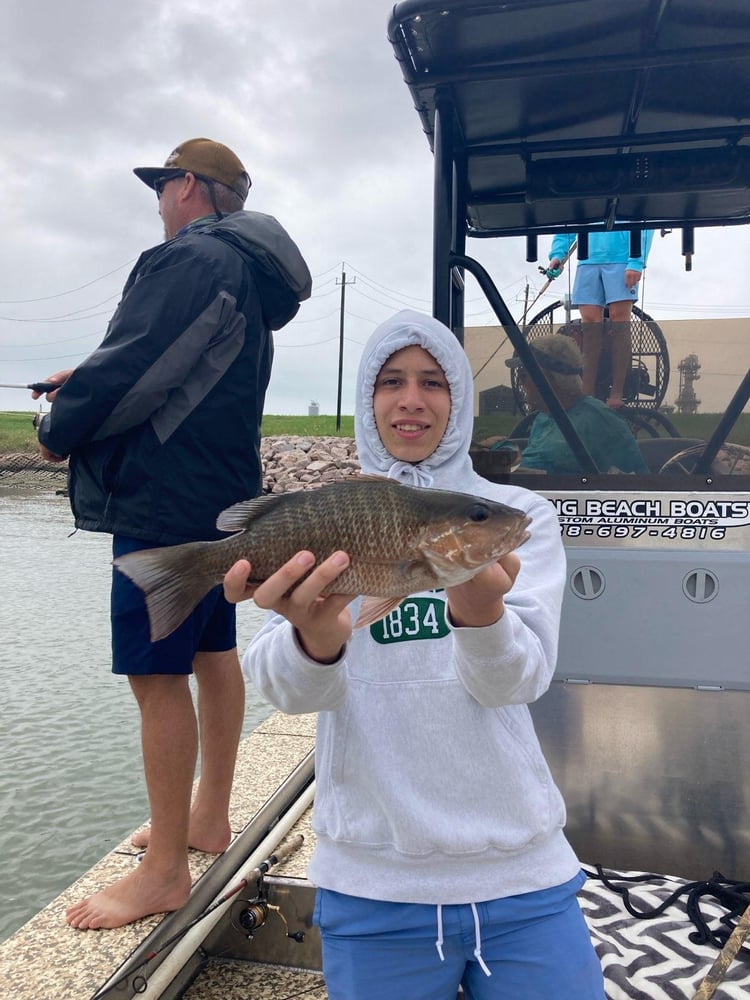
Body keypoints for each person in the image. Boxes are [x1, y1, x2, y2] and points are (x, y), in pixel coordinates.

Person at [222, 310, 605, 999]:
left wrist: (481, 610)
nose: (411, 399)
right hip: (374, 884)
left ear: (458, 399)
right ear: (369, 402)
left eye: (434, 382)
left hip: (522, 875)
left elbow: (517, 682)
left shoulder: (518, 517)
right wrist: (317, 637)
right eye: (390, 381)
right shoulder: (334, 512)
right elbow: (286, 692)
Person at [34, 137, 312, 930]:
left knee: (156, 677)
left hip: (160, 503)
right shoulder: (248, 279)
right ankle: (205, 817)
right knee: (210, 653)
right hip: (219, 498)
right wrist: (78, 377)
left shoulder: (191, 260)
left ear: (189, 186)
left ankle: (163, 874)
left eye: (162, 187)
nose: (159, 203)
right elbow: (174, 367)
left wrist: (60, 422)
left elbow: (134, 369)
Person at [504, 334, 648, 475]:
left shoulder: (592, 423)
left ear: (546, 379)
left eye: (523, 375)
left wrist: (496, 450)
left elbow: (534, 473)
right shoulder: (545, 417)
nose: (520, 384)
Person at [547, 228, 654, 408]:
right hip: (587, 259)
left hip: (622, 258)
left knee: (620, 320)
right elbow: (571, 222)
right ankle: (587, 391)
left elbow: (643, 222)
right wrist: (557, 255)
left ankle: (617, 393)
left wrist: (636, 261)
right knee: (589, 323)